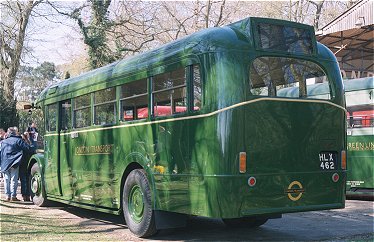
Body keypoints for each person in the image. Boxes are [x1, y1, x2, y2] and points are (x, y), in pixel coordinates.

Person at [0, 127, 35, 202]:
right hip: (14, 162)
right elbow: (28, 149)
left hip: (5, 163)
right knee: (13, 180)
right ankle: (13, 196)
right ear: (14, 133)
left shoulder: (3, 142)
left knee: (6, 180)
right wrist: (31, 140)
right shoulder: (18, 140)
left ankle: (7, 196)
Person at [19, 132, 34, 201]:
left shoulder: (21, 144)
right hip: (25, 163)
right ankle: (26, 195)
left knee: (25, 180)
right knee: (26, 180)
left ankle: (26, 195)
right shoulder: (28, 144)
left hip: (23, 164)